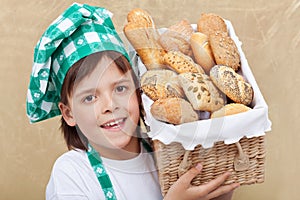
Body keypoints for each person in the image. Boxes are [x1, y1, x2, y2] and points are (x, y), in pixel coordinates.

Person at [26, 3, 239, 200]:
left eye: (120, 88)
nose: (110, 105)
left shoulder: (166, 151)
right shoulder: (72, 172)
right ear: (69, 113)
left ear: (139, 92)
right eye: (89, 97)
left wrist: (218, 189)